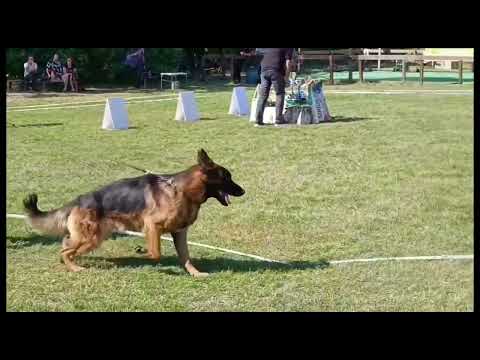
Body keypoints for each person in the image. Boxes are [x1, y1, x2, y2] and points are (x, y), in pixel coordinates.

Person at [253, 48, 295, 126]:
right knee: (280, 94)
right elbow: (288, 62)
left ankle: (258, 120)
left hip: (264, 71)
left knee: (263, 96)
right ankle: (278, 120)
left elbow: (257, 54)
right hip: (276, 70)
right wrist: (286, 77)